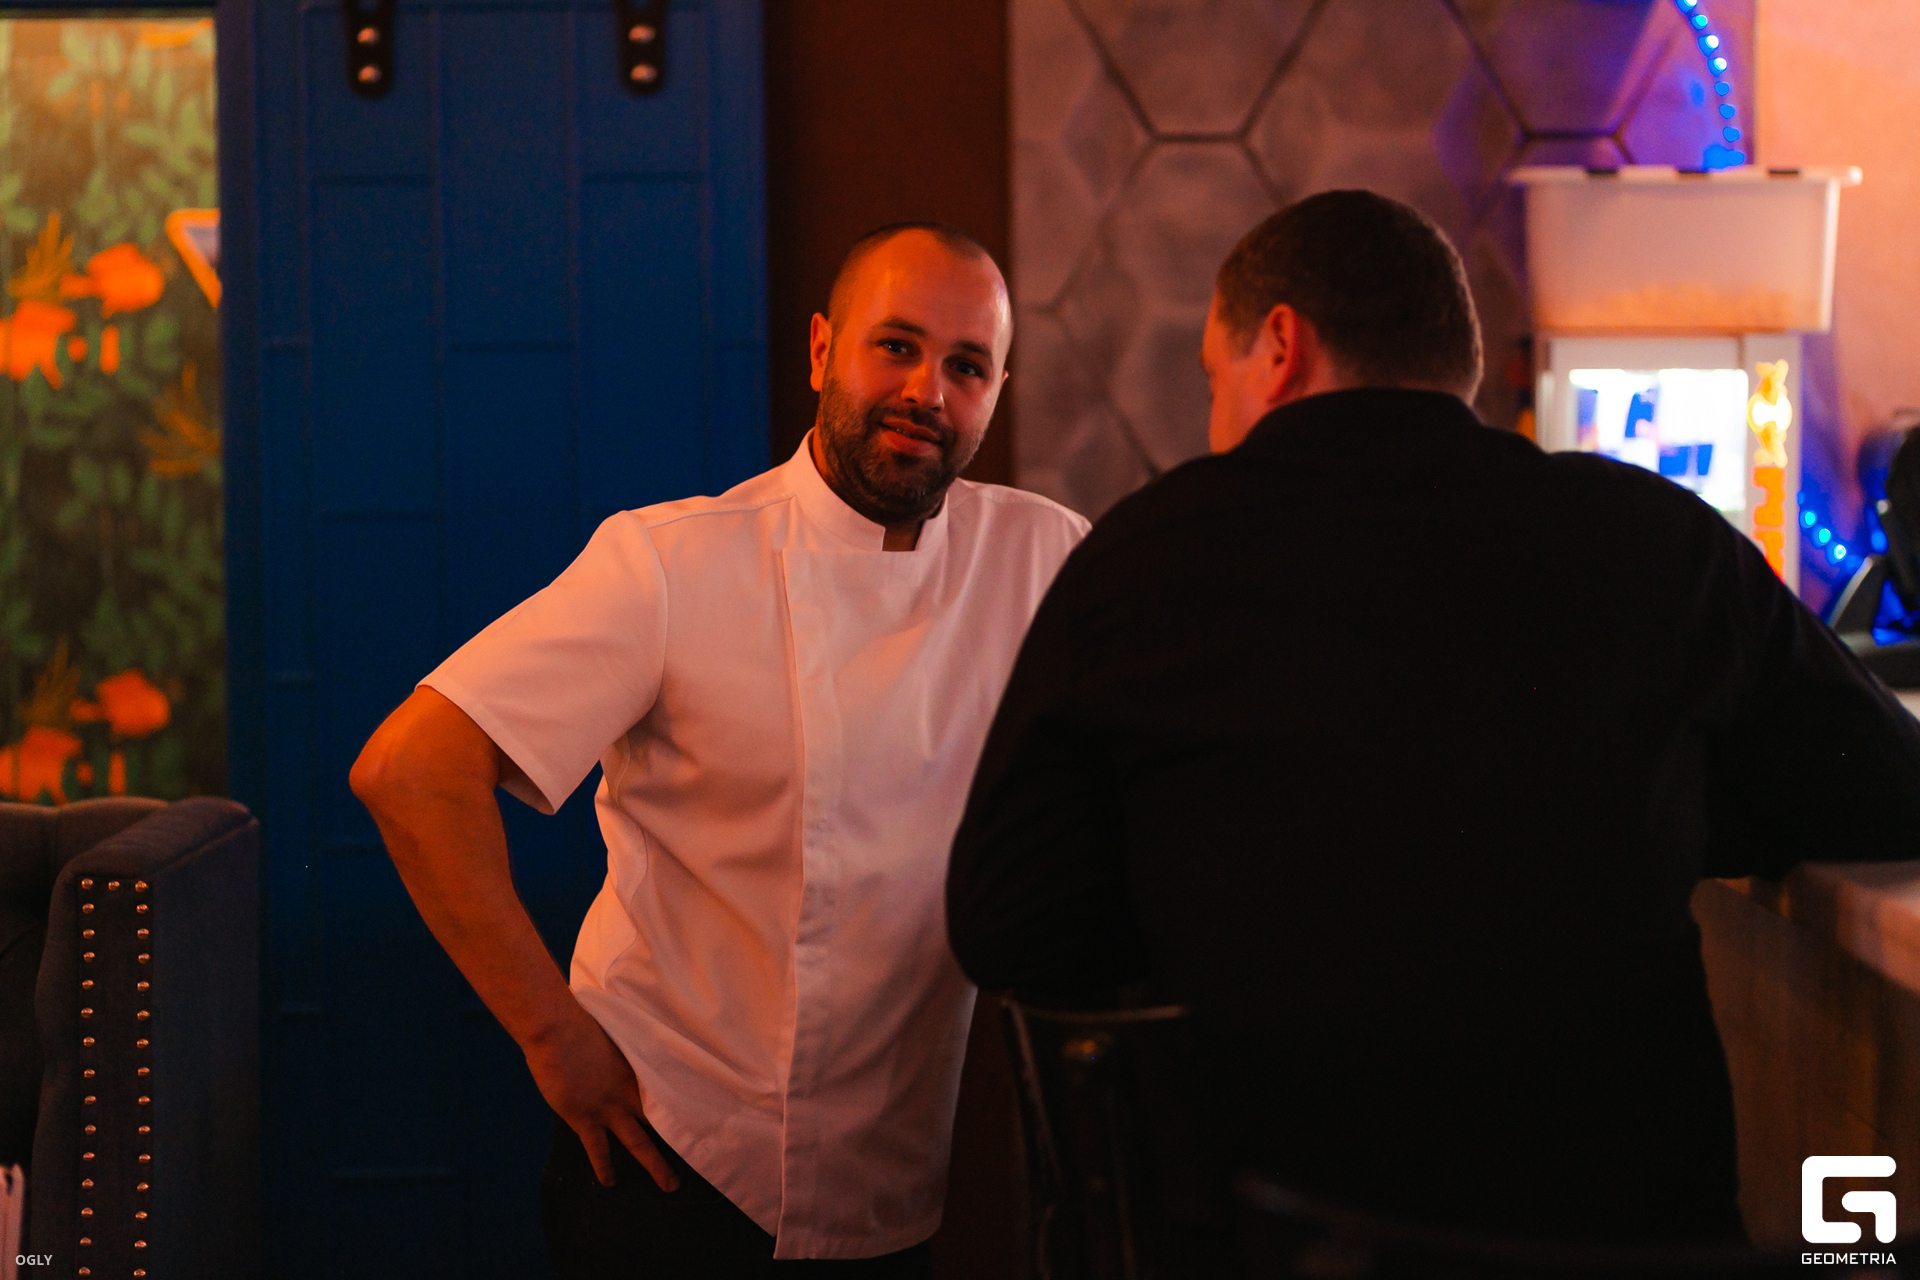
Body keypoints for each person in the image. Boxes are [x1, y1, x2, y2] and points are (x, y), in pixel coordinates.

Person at [945, 190, 1920, 1244]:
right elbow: (1887, 789)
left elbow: (1008, 918)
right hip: (1619, 1232)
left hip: (1280, 1233)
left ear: (1281, 346)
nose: (1214, 420)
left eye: (1213, 378)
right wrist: (1656, 804)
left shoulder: (1141, 559)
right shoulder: (1658, 538)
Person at [351, 222, 1088, 1276]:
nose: (927, 390)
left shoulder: (1043, 555)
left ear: (997, 391)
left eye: (967, 366)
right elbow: (411, 769)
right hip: (668, 1162)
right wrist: (553, 1038)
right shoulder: (670, 563)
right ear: (822, 350)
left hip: (892, 1178)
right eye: (896, 345)